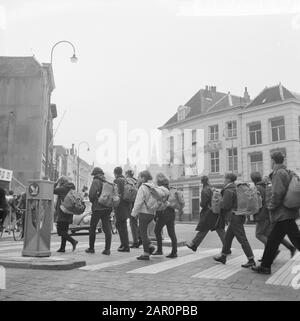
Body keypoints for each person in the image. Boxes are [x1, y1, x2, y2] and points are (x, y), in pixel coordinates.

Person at [252, 152, 300, 274]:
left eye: (270, 160)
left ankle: (265, 266)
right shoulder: (287, 172)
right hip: (285, 213)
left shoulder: (278, 173)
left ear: (273, 161)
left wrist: (271, 206)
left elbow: (278, 193)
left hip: (283, 213)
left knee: (296, 239)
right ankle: (265, 266)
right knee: (273, 240)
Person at [251, 172, 296, 261]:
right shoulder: (266, 186)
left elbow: (257, 203)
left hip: (262, 214)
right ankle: (290, 247)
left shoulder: (257, 188)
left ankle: (273, 250)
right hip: (270, 213)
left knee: (259, 234)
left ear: (253, 179)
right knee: (271, 235)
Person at [213, 173, 256, 268]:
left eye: (224, 178)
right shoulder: (235, 188)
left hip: (234, 217)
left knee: (242, 239)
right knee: (228, 237)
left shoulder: (228, 190)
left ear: (228, 179)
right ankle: (223, 256)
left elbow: (225, 205)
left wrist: (219, 201)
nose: (224, 180)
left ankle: (251, 259)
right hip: (238, 215)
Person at [186, 176, 226, 252]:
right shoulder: (211, 189)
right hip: (215, 211)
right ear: (208, 181)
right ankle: (227, 247)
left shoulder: (204, 190)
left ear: (202, 182)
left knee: (204, 228)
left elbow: (203, 203)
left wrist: (201, 204)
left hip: (208, 213)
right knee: (219, 229)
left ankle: (194, 244)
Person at [86, 167, 112, 255]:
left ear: (95, 174)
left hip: (98, 208)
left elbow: (92, 195)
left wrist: (93, 201)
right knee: (107, 228)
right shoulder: (106, 181)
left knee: (92, 227)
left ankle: (91, 248)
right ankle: (107, 249)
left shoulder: (96, 181)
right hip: (107, 207)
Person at [131, 170, 156, 260]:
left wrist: (133, 213)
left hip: (144, 213)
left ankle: (146, 253)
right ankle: (150, 246)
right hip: (152, 213)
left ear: (143, 178)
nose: (138, 178)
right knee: (141, 231)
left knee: (143, 233)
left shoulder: (143, 187)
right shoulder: (153, 186)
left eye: (139, 177)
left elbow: (138, 202)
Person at [153, 173, 178, 258]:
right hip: (171, 213)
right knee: (172, 233)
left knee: (157, 230)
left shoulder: (161, 190)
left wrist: (156, 214)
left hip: (164, 213)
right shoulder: (171, 190)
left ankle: (159, 250)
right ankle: (174, 252)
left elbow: (159, 203)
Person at [54, 176, 78, 253]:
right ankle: (62, 248)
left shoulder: (62, 189)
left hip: (62, 212)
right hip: (69, 212)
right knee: (64, 231)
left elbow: (51, 190)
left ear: (61, 182)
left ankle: (73, 241)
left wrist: (56, 183)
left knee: (60, 231)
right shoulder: (71, 188)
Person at [114, 167, 131, 252]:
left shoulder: (117, 180)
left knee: (120, 225)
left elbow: (117, 193)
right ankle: (124, 244)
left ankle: (125, 246)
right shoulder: (125, 180)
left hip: (120, 206)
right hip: (126, 206)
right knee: (123, 226)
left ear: (115, 173)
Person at [125, 170, 142, 248]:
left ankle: (135, 241)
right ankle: (140, 238)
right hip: (138, 203)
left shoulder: (127, 181)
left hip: (130, 203)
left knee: (133, 223)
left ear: (127, 174)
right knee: (136, 222)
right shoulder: (137, 181)